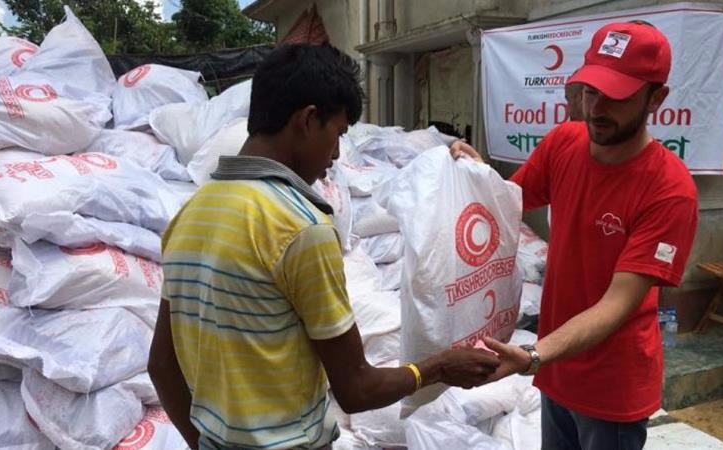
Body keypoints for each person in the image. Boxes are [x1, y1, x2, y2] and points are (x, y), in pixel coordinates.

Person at [148, 44, 500, 450]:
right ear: (308, 120)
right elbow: (356, 389)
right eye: (338, 134)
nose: (335, 155)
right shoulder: (299, 227)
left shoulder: (190, 214)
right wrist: (439, 366)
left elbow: (161, 365)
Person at [452, 21, 699, 450]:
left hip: (611, 388)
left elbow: (616, 304)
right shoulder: (565, 142)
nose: (597, 108)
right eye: (591, 90)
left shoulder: (669, 189)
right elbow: (507, 201)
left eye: (617, 96)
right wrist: (475, 174)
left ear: (656, 99)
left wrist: (533, 355)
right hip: (556, 370)